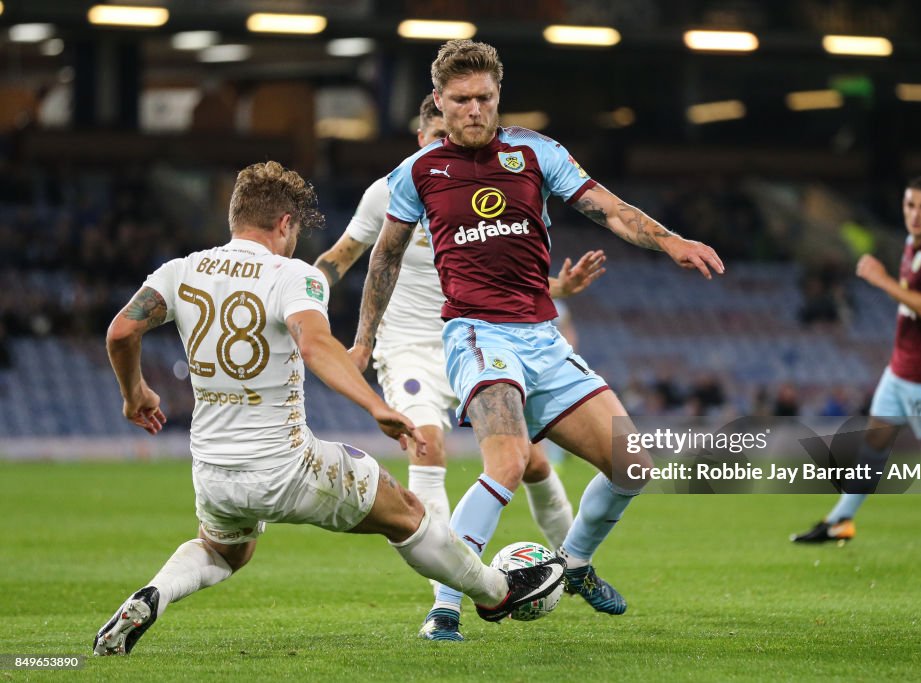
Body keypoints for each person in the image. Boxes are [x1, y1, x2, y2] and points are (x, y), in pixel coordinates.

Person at [92, 161, 565, 656]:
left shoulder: (181, 270)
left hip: (214, 472)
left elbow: (121, 331)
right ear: (285, 225)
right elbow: (316, 346)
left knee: (225, 550)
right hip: (287, 467)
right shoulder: (292, 274)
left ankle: (155, 594)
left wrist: (135, 394)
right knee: (406, 513)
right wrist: (374, 405)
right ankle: (495, 593)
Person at [352, 40, 724, 640]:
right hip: (476, 333)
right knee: (509, 461)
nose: (474, 110)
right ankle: (445, 606)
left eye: (485, 99)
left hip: (542, 337)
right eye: (461, 100)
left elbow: (613, 210)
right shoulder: (417, 173)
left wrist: (673, 241)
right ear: (440, 103)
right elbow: (384, 260)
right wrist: (363, 341)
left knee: (633, 462)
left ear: (498, 96)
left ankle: (572, 563)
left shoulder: (535, 152)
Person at [314, 95, 603, 641]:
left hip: (477, 337)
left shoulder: (475, 186)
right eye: (425, 140)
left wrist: (562, 288)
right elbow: (342, 256)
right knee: (428, 444)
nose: (432, 149)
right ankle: (445, 601)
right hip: (409, 348)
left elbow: (500, 272)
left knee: (533, 463)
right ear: (421, 136)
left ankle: (576, 568)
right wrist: (298, 289)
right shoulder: (393, 189)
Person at [792, 175, 921, 551]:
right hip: (901, 368)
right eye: (910, 205)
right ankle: (840, 520)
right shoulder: (912, 245)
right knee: (873, 441)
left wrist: (883, 281)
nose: (915, 214)